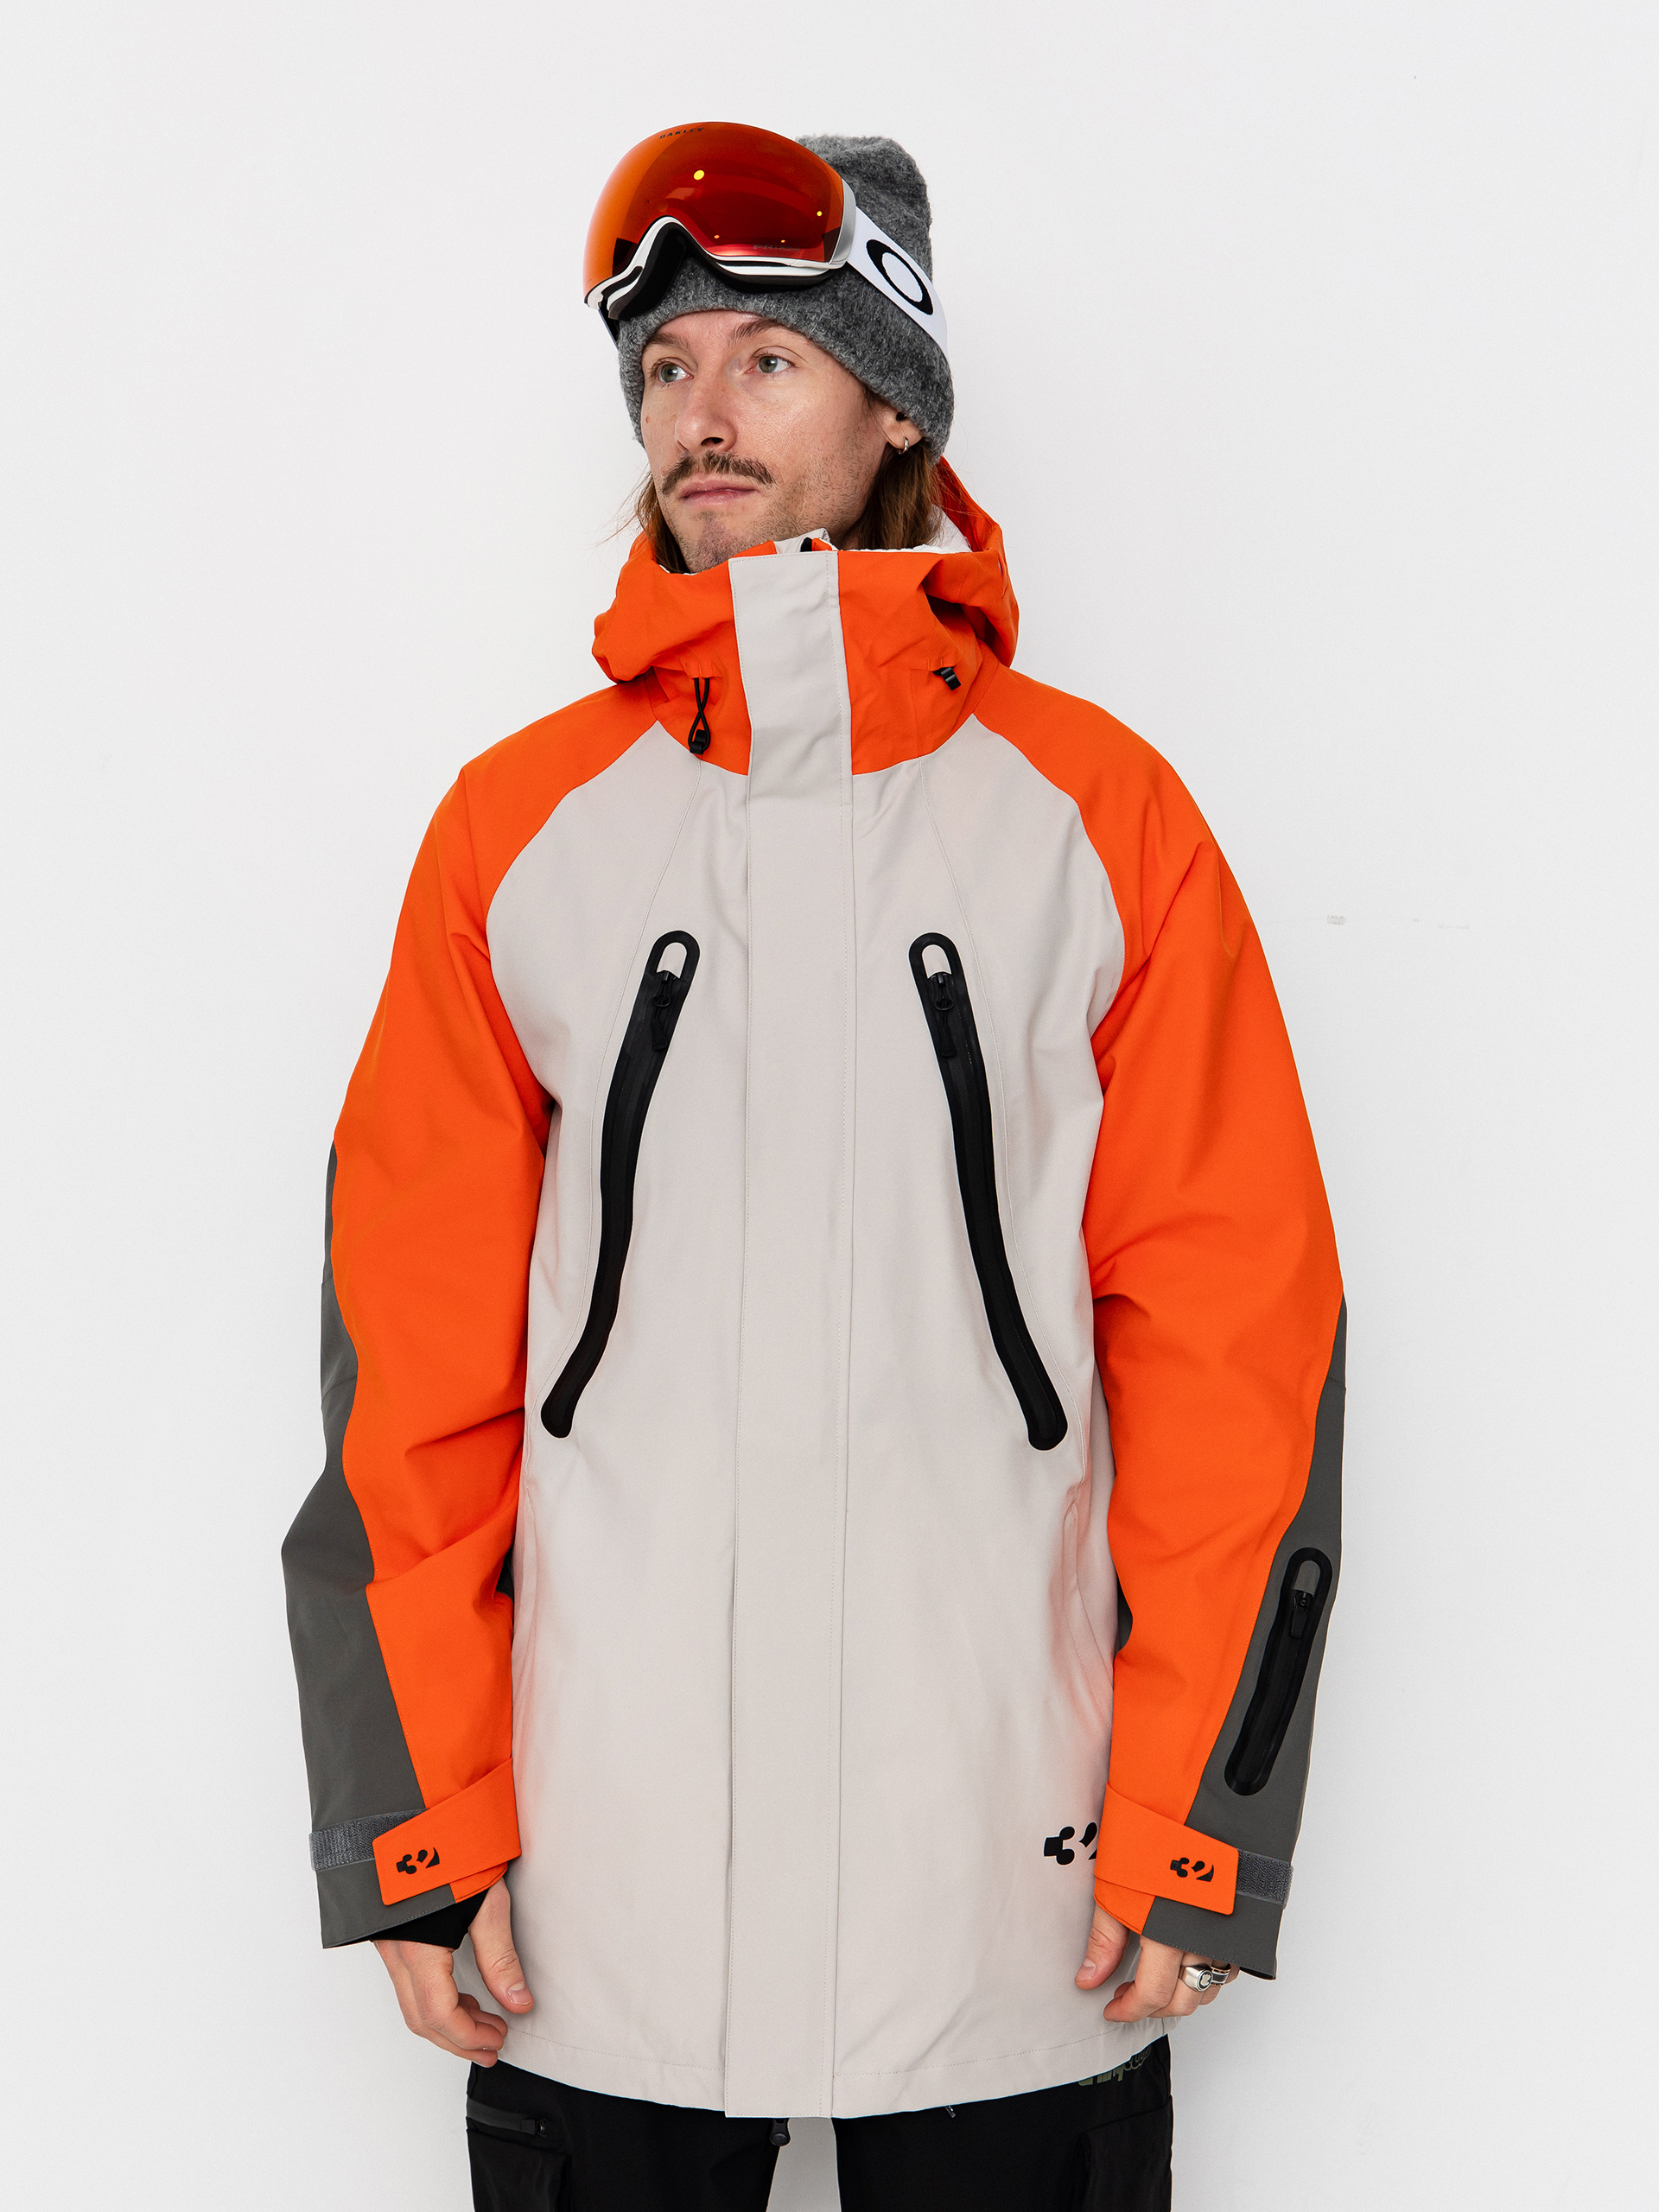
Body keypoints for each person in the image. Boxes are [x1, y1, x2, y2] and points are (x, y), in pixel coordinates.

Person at [283, 124, 1345, 2211]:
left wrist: (1203, 1821)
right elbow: (407, 1380)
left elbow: (1237, 1354)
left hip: (1010, 1882)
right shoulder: (517, 836)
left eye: (769, 359)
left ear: (897, 410)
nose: (703, 410)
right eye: (667, 366)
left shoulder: (1100, 825)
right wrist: (413, 1824)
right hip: (598, 1898)